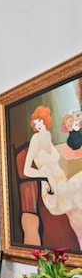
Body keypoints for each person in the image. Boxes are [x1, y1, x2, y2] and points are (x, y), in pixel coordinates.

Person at [23, 104, 82, 249]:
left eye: (40, 121)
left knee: (77, 211)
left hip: (62, 183)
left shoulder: (48, 136)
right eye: (35, 123)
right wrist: (46, 176)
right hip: (52, 192)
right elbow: (26, 170)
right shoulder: (35, 140)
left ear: (46, 121)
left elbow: (57, 154)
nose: (38, 125)